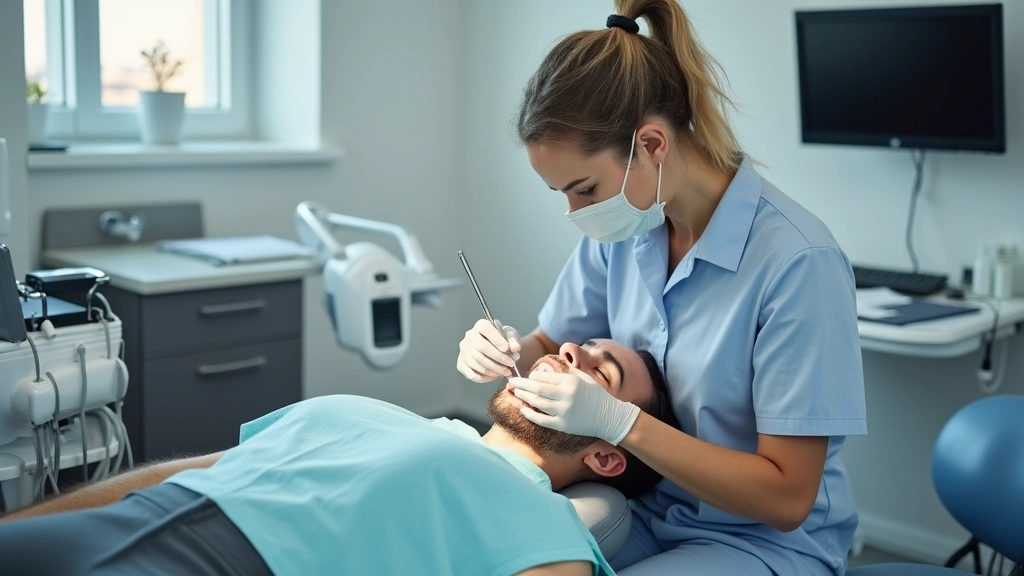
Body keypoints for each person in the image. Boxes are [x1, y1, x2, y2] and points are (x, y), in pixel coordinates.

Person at [456, 1, 867, 574]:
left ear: (650, 145)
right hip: (639, 508)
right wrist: (503, 351)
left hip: (754, 540)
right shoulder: (629, 227)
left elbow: (786, 499)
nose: (576, 212)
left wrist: (621, 423)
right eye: (563, 195)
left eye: (584, 188)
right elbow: (550, 344)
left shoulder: (797, 264)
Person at [0, 339, 677, 576]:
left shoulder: (547, 524)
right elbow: (176, 474)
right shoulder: (381, 412)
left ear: (607, 456)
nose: (569, 353)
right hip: (117, 524)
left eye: (603, 373)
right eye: (576, 346)